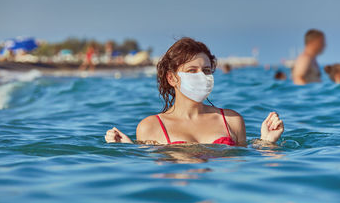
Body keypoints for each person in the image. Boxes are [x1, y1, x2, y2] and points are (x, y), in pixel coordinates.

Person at [105, 37, 284, 146]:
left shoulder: (232, 121)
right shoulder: (150, 127)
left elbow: (245, 168)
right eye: (192, 71)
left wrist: (267, 143)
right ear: (172, 78)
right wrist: (126, 151)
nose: (202, 76)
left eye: (206, 70)